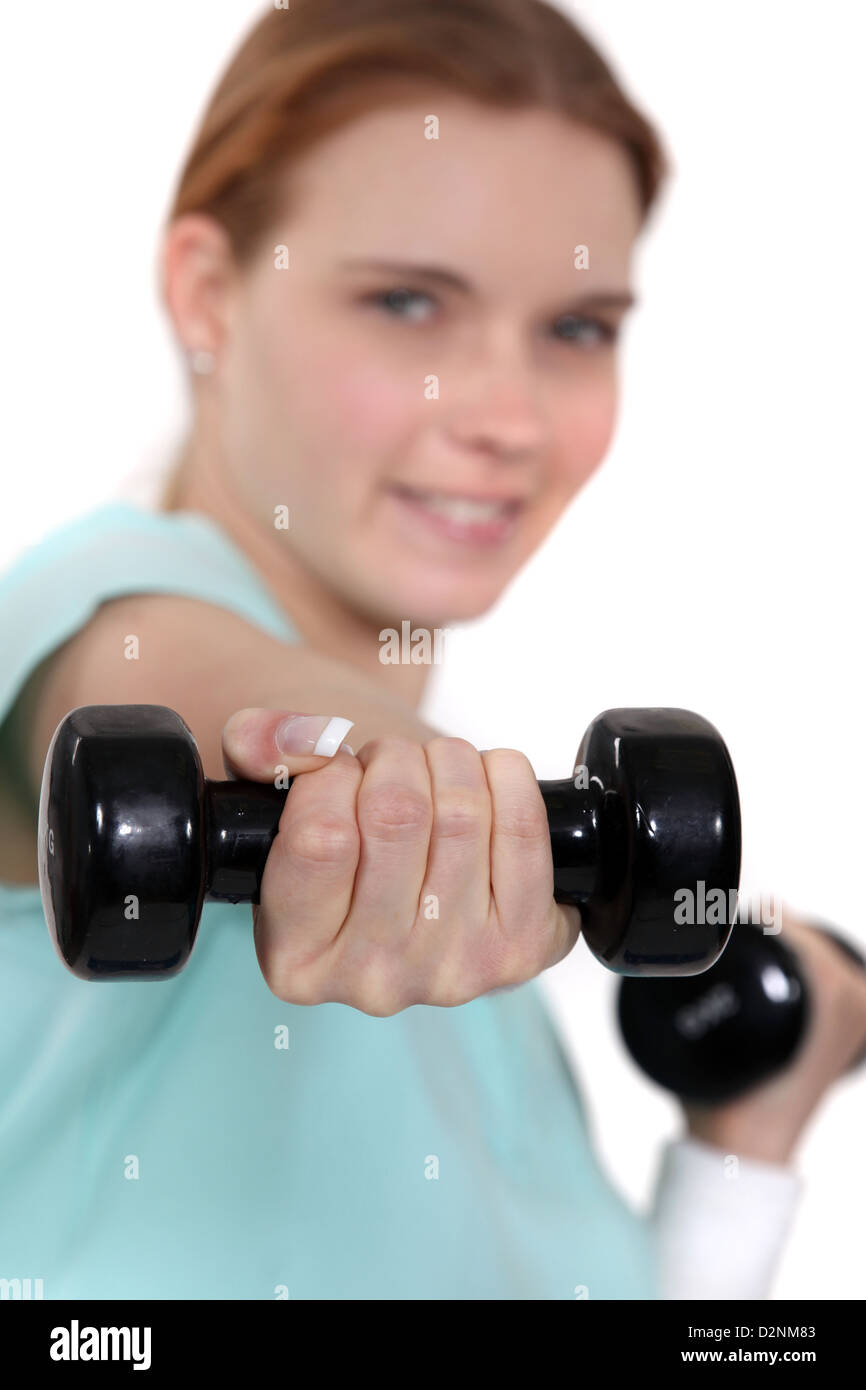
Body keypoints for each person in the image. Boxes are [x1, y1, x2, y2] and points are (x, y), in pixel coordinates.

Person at [1, 0, 864, 1301]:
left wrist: (740, 1151)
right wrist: (376, 760)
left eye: (576, 327)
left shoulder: (476, 915)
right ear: (206, 292)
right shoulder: (106, 615)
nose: (506, 415)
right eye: (407, 302)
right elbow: (175, 673)